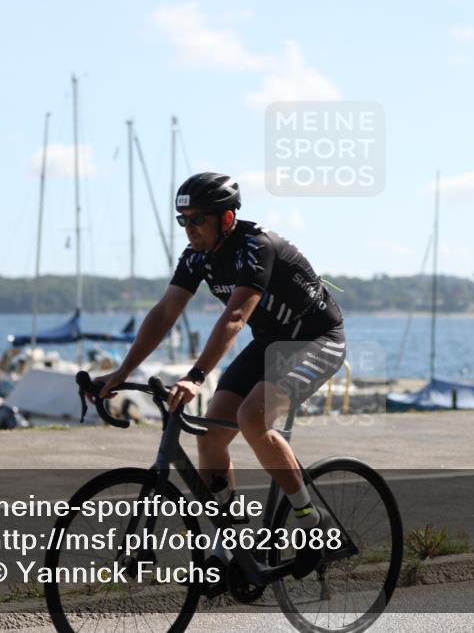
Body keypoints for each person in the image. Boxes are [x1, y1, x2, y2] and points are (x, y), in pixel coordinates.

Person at [93, 172, 345, 581]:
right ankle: (232, 538)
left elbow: (234, 316)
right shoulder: (197, 256)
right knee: (210, 435)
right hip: (271, 342)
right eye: (183, 220)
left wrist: (195, 375)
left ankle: (313, 522)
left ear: (226, 219)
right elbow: (164, 314)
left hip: (318, 339)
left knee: (251, 418)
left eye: (197, 219)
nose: (189, 229)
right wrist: (123, 371)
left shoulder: (256, 247)